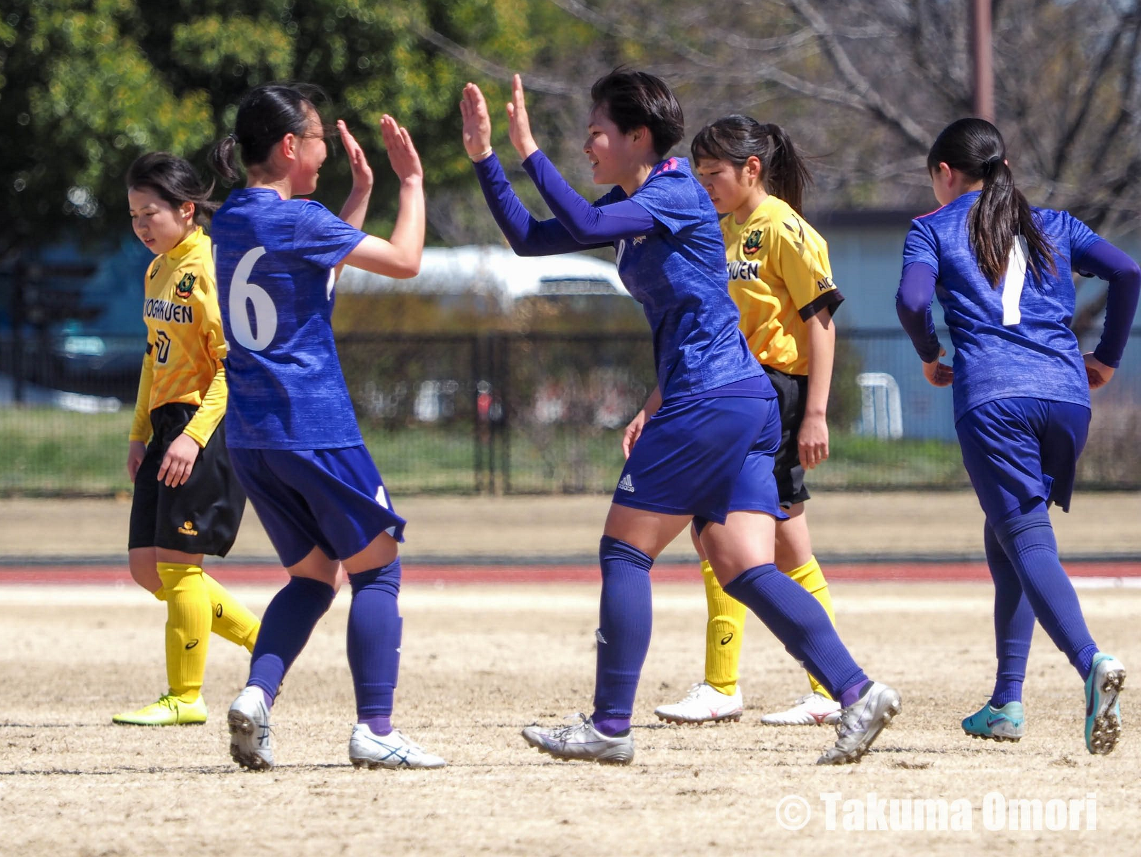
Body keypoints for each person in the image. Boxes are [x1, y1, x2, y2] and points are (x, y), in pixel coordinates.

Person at [462, 70, 898, 766]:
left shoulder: (669, 192)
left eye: (597, 132)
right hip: (739, 401)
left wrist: (527, 150)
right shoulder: (638, 198)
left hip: (708, 399)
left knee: (625, 551)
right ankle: (858, 690)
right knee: (744, 566)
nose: (587, 145)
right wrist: (486, 159)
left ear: (638, 137)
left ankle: (608, 726)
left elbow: (584, 223)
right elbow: (530, 237)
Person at [214, 84, 444, 771]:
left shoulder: (230, 220)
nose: (323, 151)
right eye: (317, 139)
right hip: (313, 426)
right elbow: (404, 261)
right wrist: (410, 181)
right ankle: (376, 729)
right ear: (290, 147)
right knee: (379, 570)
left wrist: (358, 195)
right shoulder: (299, 221)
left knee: (314, 577)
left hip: (253, 437)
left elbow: (313, 271)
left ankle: (257, 695)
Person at [896, 117, 1137, 754]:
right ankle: (1006, 701)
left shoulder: (931, 227)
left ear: (946, 173)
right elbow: (1129, 272)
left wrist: (928, 353)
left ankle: (1091, 663)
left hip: (995, 398)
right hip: (1066, 395)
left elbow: (914, 301)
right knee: (1005, 535)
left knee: (1025, 533)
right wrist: (1107, 357)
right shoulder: (1054, 224)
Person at [655, 116, 845, 728]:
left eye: (715, 174)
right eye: (699, 173)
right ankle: (726, 685)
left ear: (751, 169)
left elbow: (821, 321)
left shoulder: (784, 228)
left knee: (777, 540)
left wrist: (814, 411)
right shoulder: (722, 229)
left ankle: (824, 686)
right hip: (732, 391)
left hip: (778, 395)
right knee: (716, 530)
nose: (705, 184)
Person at [114, 153, 262, 727]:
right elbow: (154, 360)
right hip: (166, 428)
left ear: (186, 209)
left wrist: (193, 437)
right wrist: (140, 432)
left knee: (178, 568)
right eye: (132, 214)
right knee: (148, 569)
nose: (141, 225)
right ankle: (265, 637)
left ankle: (186, 696)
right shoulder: (156, 271)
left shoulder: (208, 268)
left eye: (150, 212)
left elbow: (234, 366)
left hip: (208, 427)